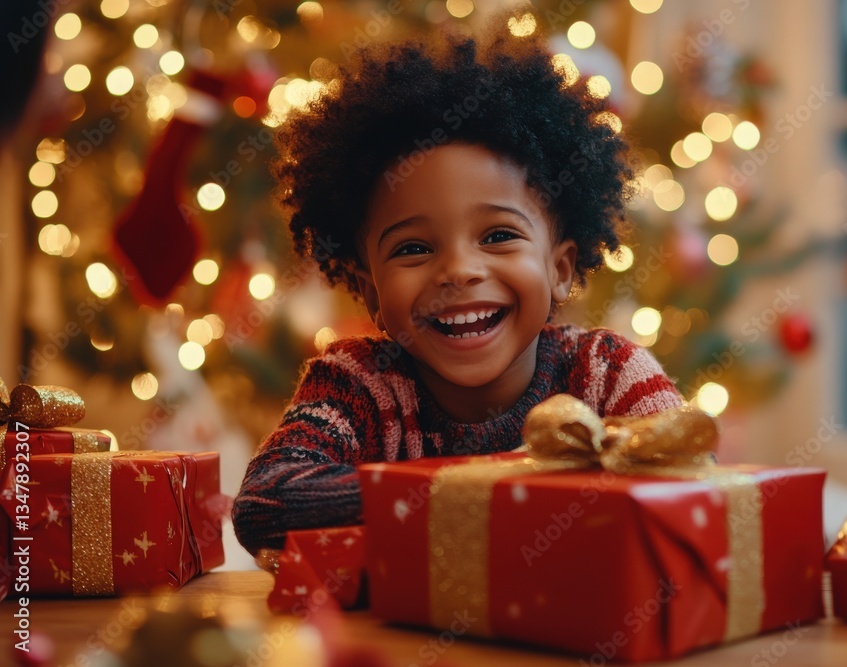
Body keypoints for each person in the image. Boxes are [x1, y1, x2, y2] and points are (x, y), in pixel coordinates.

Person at [232, 17, 682, 554]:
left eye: (497, 235)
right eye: (413, 248)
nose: (459, 270)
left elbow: (693, 487)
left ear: (560, 270)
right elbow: (264, 506)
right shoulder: (359, 388)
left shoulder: (606, 376)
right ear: (372, 293)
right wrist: (487, 487)